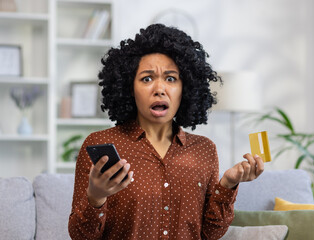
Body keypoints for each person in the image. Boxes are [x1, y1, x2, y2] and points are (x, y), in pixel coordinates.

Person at [68, 24, 264, 240]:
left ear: (185, 88)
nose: (159, 88)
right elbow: (81, 236)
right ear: (129, 88)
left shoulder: (204, 150)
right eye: (147, 78)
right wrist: (96, 197)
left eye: (171, 78)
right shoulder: (101, 143)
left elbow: (211, 233)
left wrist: (227, 184)